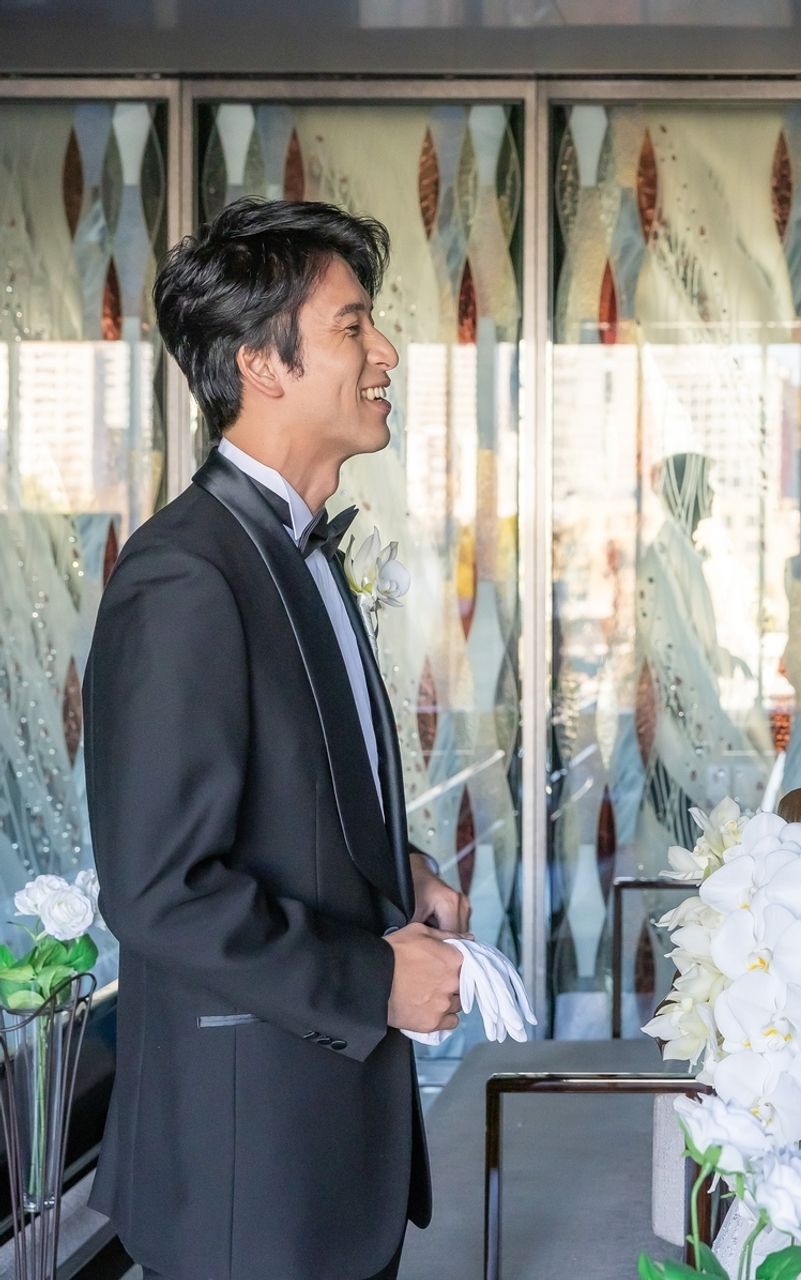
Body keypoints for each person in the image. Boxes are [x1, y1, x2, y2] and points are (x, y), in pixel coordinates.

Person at [83, 197, 471, 1280]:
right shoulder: (184, 575)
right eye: (353, 326)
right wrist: (373, 978)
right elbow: (160, 891)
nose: (385, 351)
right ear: (261, 363)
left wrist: (401, 868)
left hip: (323, 1160)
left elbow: (292, 793)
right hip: (248, 1172)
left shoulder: (294, 548)